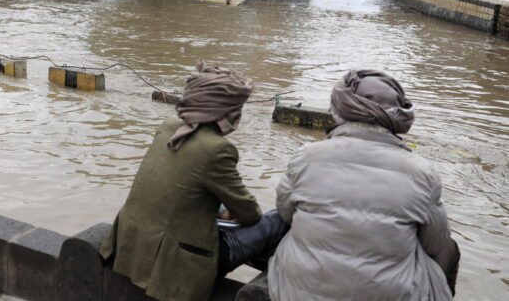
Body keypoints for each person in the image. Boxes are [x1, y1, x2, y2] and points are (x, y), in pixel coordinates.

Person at [100, 62, 288, 301]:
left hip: (133, 248)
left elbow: (185, 190)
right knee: (281, 217)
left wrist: (224, 210)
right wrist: (230, 211)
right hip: (176, 261)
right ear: (227, 111)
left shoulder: (167, 128)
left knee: (218, 207)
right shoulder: (218, 149)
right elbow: (250, 214)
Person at [268, 70, 460, 301]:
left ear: (339, 111)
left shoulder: (306, 155)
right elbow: (434, 243)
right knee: (450, 247)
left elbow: (285, 212)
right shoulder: (422, 171)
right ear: (399, 118)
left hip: (294, 293)